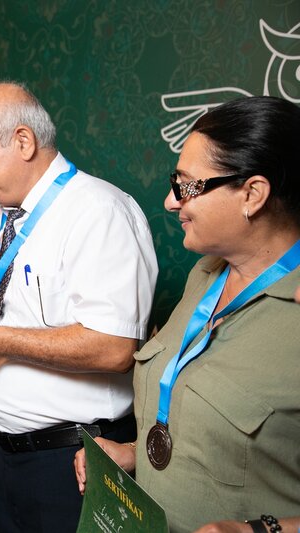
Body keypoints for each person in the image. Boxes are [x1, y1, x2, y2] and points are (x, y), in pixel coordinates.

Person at [0, 82, 158, 532]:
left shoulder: (98, 211)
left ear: (24, 141)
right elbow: (17, 331)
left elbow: (114, 347)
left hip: (73, 461)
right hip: (8, 455)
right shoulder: (3, 222)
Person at [75, 96, 300, 533]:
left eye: (187, 185)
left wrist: (262, 530)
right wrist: (135, 454)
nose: (171, 201)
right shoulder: (205, 274)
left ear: (252, 194)